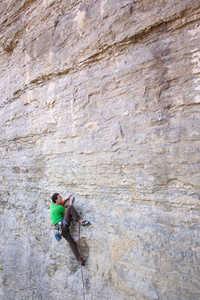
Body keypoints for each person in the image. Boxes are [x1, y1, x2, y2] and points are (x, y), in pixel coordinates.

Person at [50, 193, 90, 266]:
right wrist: (70, 201)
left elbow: (60, 203)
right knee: (69, 208)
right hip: (64, 226)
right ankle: (81, 221)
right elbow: (69, 210)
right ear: (56, 200)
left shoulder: (52, 205)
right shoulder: (58, 208)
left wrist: (65, 199)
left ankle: (80, 261)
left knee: (72, 243)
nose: (61, 197)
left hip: (60, 231)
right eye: (59, 197)